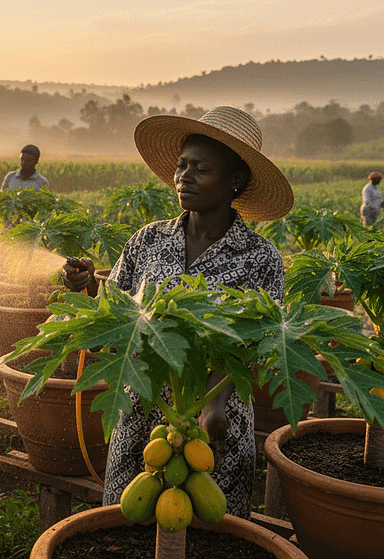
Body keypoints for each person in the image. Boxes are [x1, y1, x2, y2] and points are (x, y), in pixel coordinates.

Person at [63, 106, 293, 520]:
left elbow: (252, 346)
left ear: (235, 181)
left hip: (215, 420)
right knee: (127, 529)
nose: (184, 177)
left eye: (200, 168)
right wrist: (88, 286)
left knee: (211, 536)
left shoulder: (261, 257)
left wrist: (213, 405)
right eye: (182, 166)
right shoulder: (147, 239)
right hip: (141, 417)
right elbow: (119, 312)